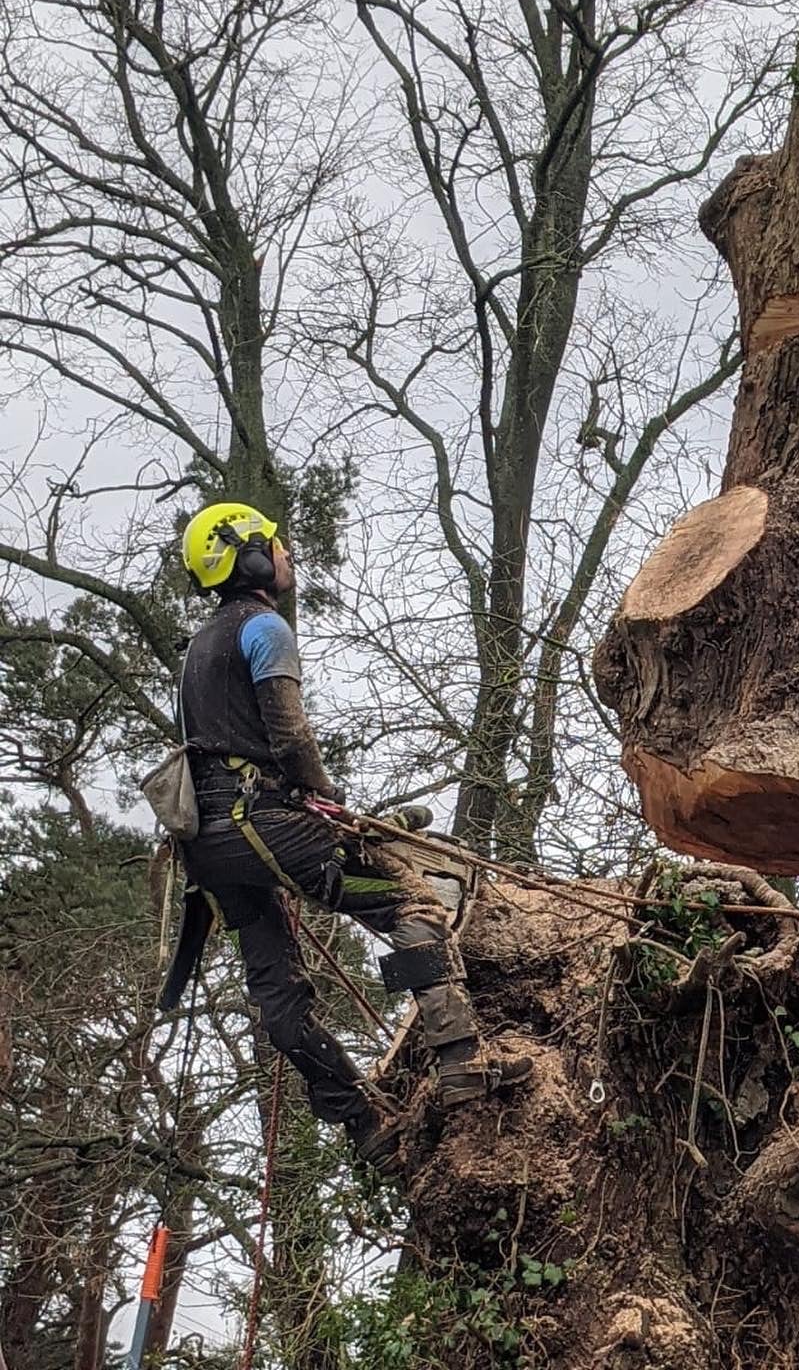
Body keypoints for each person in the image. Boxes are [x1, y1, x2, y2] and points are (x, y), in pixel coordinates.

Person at [175, 502, 531, 1172]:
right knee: (409, 903)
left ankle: (363, 1122)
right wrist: (325, 800)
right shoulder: (265, 628)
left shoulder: (193, 651)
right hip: (270, 827)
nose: (288, 556)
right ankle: (461, 1061)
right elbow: (289, 733)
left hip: (213, 850)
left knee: (276, 992)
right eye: (277, 545)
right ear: (250, 557)